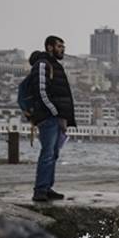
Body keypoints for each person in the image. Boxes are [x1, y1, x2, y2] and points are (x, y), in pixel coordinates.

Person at [27, 36, 76, 202]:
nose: (62, 49)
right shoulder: (43, 64)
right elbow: (42, 91)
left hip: (55, 118)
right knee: (47, 153)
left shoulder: (55, 65)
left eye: (63, 46)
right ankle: (40, 189)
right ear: (49, 47)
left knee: (53, 154)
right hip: (48, 117)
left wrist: (63, 117)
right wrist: (55, 112)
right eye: (59, 46)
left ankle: (47, 187)